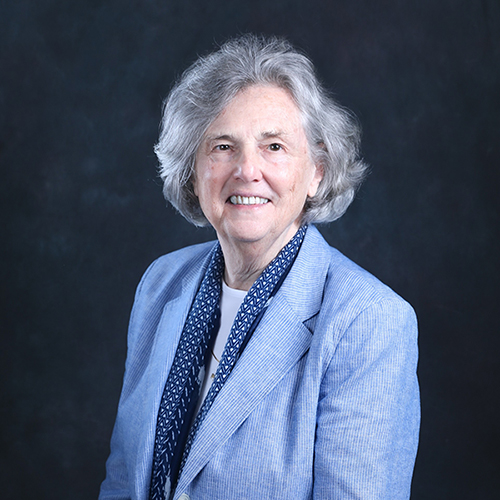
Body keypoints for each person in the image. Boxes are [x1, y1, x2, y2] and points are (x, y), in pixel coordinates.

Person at [99, 35, 420, 500]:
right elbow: (124, 478)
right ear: (192, 171)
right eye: (222, 146)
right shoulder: (160, 285)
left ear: (316, 172)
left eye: (274, 146)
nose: (247, 170)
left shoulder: (368, 321)